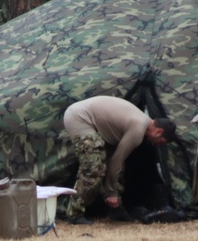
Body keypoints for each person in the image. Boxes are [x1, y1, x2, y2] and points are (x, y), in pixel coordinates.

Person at [63, 95, 177, 224]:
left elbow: (117, 162)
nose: (157, 145)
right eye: (160, 142)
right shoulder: (138, 131)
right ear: (158, 132)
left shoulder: (142, 121)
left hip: (93, 121)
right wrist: (111, 192)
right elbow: (116, 160)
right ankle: (74, 214)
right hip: (80, 118)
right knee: (93, 167)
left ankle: (115, 210)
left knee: (118, 168)